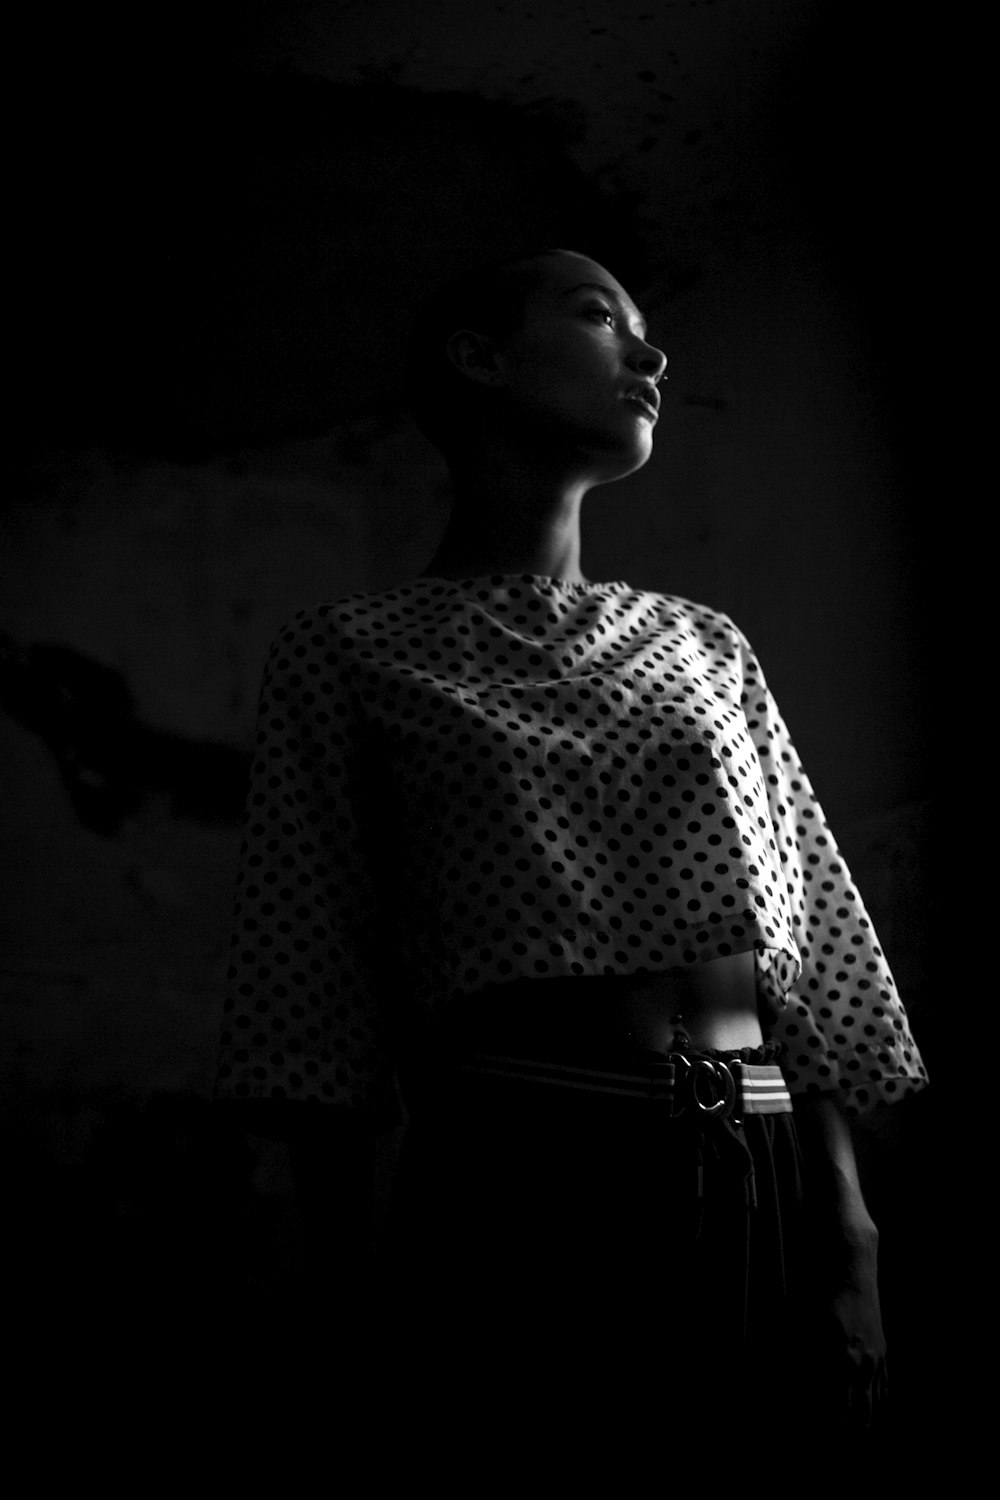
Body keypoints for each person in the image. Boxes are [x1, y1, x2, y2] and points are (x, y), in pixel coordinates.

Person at [215, 247, 926, 1445]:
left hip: (735, 1143)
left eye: (646, 328)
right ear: (478, 359)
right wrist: (339, 1295)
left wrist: (847, 1232)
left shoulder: (704, 647)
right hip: (510, 1168)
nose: (648, 355)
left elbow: (811, 960)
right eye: (600, 316)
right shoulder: (349, 651)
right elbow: (309, 991)